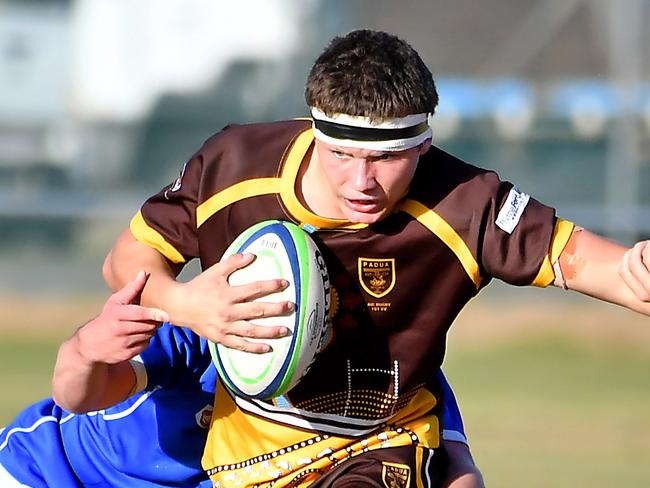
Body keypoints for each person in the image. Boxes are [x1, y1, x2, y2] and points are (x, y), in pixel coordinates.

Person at [97, 28, 650, 486]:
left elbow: (602, 267)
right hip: (249, 448)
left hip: (384, 436)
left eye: (386, 158)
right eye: (341, 154)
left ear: (423, 146)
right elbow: (126, 259)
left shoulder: (464, 202)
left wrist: (639, 271)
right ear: (314, 131)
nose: (362, 182)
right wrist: (184, 303)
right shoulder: (234, 164)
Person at [1, 274, 483, 487]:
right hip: (43, 473)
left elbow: (457, 470)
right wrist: (87, 348)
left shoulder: (394, 373)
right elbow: (77, 392)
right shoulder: (204, 337)